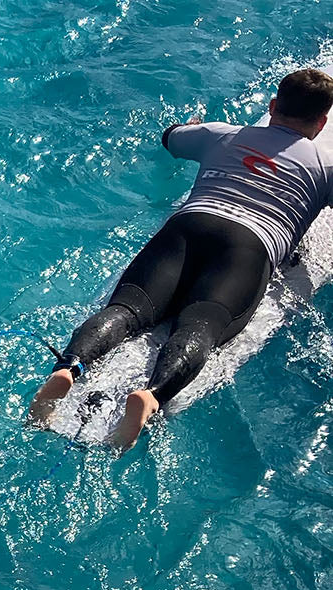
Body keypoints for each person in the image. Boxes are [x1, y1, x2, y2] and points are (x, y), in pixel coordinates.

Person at [29, 68, 333, 448]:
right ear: (322, 124)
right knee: (201, 326)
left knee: (127, 310)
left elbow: (170, 137)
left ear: (273, 105)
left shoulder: (222, 134)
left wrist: (197, 128)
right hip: (250, 247)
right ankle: (151, 396)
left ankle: (68, 369)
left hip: (187, 228)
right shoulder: (324, 168)